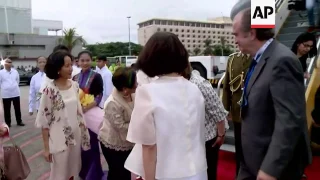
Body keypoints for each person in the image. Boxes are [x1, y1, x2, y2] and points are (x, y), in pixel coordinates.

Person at [232, 7, 312, 180]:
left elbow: (290, 120)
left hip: (274, 169)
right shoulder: (259, 59)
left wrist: (270, 169)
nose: (235, 40)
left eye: (236, 34)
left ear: (252, 33)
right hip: (252, 161)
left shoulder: (282, 61)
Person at [124, 32, 207, 180]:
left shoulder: (147, 92)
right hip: (198, 169)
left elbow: (148, 146)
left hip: (166, 173)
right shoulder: (194, 89)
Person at [35, 50, 90, 180]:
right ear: (57, 68)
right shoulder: (49, 91)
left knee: (72, 171)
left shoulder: (75, 86)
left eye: (71, 64)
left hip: (75, 137)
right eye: (67, 66)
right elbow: (44, 121)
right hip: (58, 139)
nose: (71, 68)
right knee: (60, 174)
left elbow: (78, 113)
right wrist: (46, 148)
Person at [182, 63, 228, 180]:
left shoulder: (199, 84)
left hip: (208, 137)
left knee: (208, 171)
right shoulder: (183, 83)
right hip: (193, 137)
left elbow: (218, 111)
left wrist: (221, 134)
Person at [99, 67, 137, 180]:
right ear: (125, 89)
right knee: (118, 173)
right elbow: (121, 128)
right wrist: (140, 126)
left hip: (128, 141)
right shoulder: (112, 103)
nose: (137, 84)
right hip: (114, 144)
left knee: (125, 172)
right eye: (135, 83)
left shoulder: (133, 94)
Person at [72, 50, 104, 180]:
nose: (85, 63)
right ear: (78, 62)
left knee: (92, 145)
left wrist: (87, 107)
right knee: (81, 145)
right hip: (78, 116)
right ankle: (83, 172)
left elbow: (99, 95)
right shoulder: (74, 78)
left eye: (87, 60)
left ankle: (94, 174)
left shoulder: (97, 76)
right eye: (82, 60)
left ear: (91, 61)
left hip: (91, 115)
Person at [222, 52, 251, 177]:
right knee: (239, 146)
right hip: (236, 111)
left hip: (253, 111)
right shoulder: (233, 58)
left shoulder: (259, 57)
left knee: (252, 147)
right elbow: (227, 86)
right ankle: (239, 174)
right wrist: (226, 109)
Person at [0, 59, 24, 127]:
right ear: (4, 64)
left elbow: (17, 80)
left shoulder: (15, 71)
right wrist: (5, 87)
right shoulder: (1, 72)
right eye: (7, 62)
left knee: (17, 108)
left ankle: (19, 121)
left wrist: (14, 86)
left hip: (15, 93)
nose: (9, 63)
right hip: (6, 94)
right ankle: (8, 123)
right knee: (7, 109)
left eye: (10, 62)